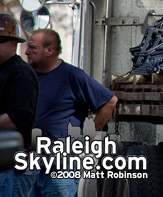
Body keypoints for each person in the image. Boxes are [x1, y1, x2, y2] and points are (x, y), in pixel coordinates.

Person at [14, 29, 117, 197]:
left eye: (33, 47)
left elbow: (110, 101)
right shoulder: (26, 76)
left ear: (50, 51)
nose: (26, 52)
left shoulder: (72, 76)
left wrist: (87, 137)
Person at [0, 14, 38, 197]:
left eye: (1, 40)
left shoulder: (20, 74)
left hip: (12, 166)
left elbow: (20, 118)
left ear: (14, 43)